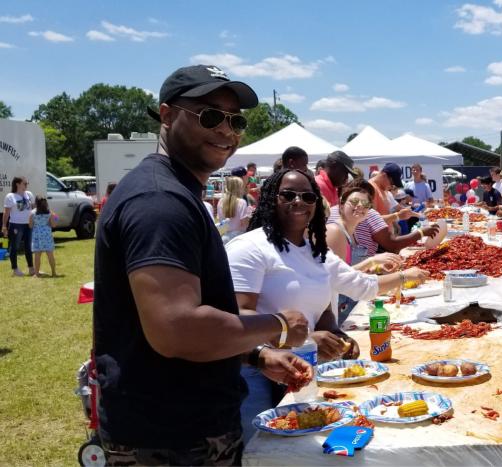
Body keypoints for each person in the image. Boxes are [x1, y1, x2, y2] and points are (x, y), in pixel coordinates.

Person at [94, 64, 313, 464]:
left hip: (185, 430)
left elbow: (180, 323)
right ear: (167, 115)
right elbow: (178, 331)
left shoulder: (176, 193)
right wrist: (277, 325)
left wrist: (255, 355)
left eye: (236, 120)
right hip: (169, 439)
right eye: (210, 115)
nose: (226, 130)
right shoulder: (159, 202)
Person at [227, 169, 428, 441]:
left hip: (303, 371)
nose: (298, 201)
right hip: (257, 372)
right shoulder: (249, 247)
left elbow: (322, 307)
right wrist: (306, 340)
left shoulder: (315, 251)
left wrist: (337, 336)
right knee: (261, 451)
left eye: (307, 196)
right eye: (287, 195)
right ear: (269, 199)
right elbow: (237, 317)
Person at [325, 180, 425, 322]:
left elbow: (343, 273)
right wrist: (403, 276)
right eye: (354, 201)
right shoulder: (335, 232)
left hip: (341, 305)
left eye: (365, 204)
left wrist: (373, 265)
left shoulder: (348, 232)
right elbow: (338, 281)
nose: (360, 206)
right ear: (341, 204)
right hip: (330, 312)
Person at [2, 176, 35, 276]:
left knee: (28, 247)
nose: (26, 185)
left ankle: (31, 268)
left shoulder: (29, 194)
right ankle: (15, 269)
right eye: (24, 183)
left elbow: (33, 209)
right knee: (14, 247)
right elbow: (6, 213)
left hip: (28, 225)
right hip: (16, 225)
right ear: (17, 184)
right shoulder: (10, 196)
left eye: (26, 183)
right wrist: (4, 226)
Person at [217, 176, 251, 242]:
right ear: (238, 188)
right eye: (242, 186)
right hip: (239, 237)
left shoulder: (221, 201)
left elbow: (220, 220)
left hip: (225, 236)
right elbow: (244, 223)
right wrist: (249, 214)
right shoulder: (241, 202)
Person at [29, 197, 57, 277]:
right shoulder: (49, 213)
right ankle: (54, 273)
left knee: (37, 255)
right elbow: (54, 224)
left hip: (37, 236)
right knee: (50, 254)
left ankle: (37, 274)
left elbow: (30, 225)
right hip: (47, 235)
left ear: (36, 203)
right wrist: (55, 218)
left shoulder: (32, 213)